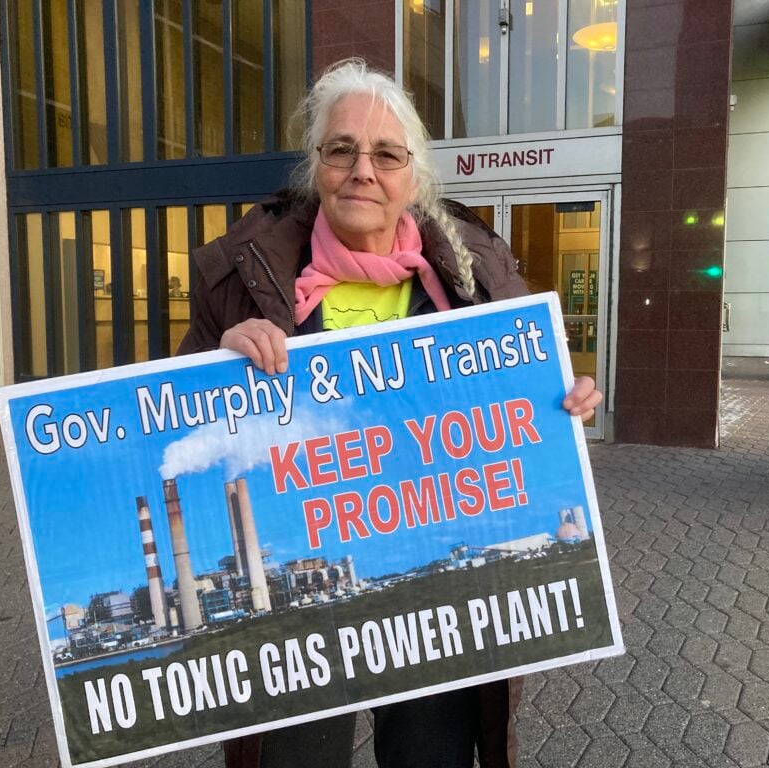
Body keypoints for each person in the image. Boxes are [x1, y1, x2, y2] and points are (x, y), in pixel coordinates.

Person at [178, 59, 602, 768]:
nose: (361, 170)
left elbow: (521, 427)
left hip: (433, 599)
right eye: (340, 149)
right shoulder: (239, 275)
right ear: (316, 166)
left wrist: (561, 407)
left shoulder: (478, 276)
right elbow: (173, 423)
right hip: (300, 614)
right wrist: (212, 364)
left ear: (414, 174)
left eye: (385, 154)